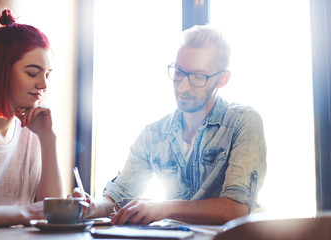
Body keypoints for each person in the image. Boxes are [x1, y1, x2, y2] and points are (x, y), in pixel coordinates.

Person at [73, 24, 266, 225]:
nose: (182, 87)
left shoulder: (243, 122)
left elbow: (236, 209)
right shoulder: (153, 134)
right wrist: (90, 207)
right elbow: (117, 197)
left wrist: (164, 208)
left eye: (198, 77)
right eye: (179, 72)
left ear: (222, 79)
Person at [0, 9, 63, 227]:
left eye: (47, 74)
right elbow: (35, 212)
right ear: (1, 70)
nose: (43, 85)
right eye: (33, 73)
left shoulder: (32, 133)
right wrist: (25, 213)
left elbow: (54, 212)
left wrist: (48, 139)